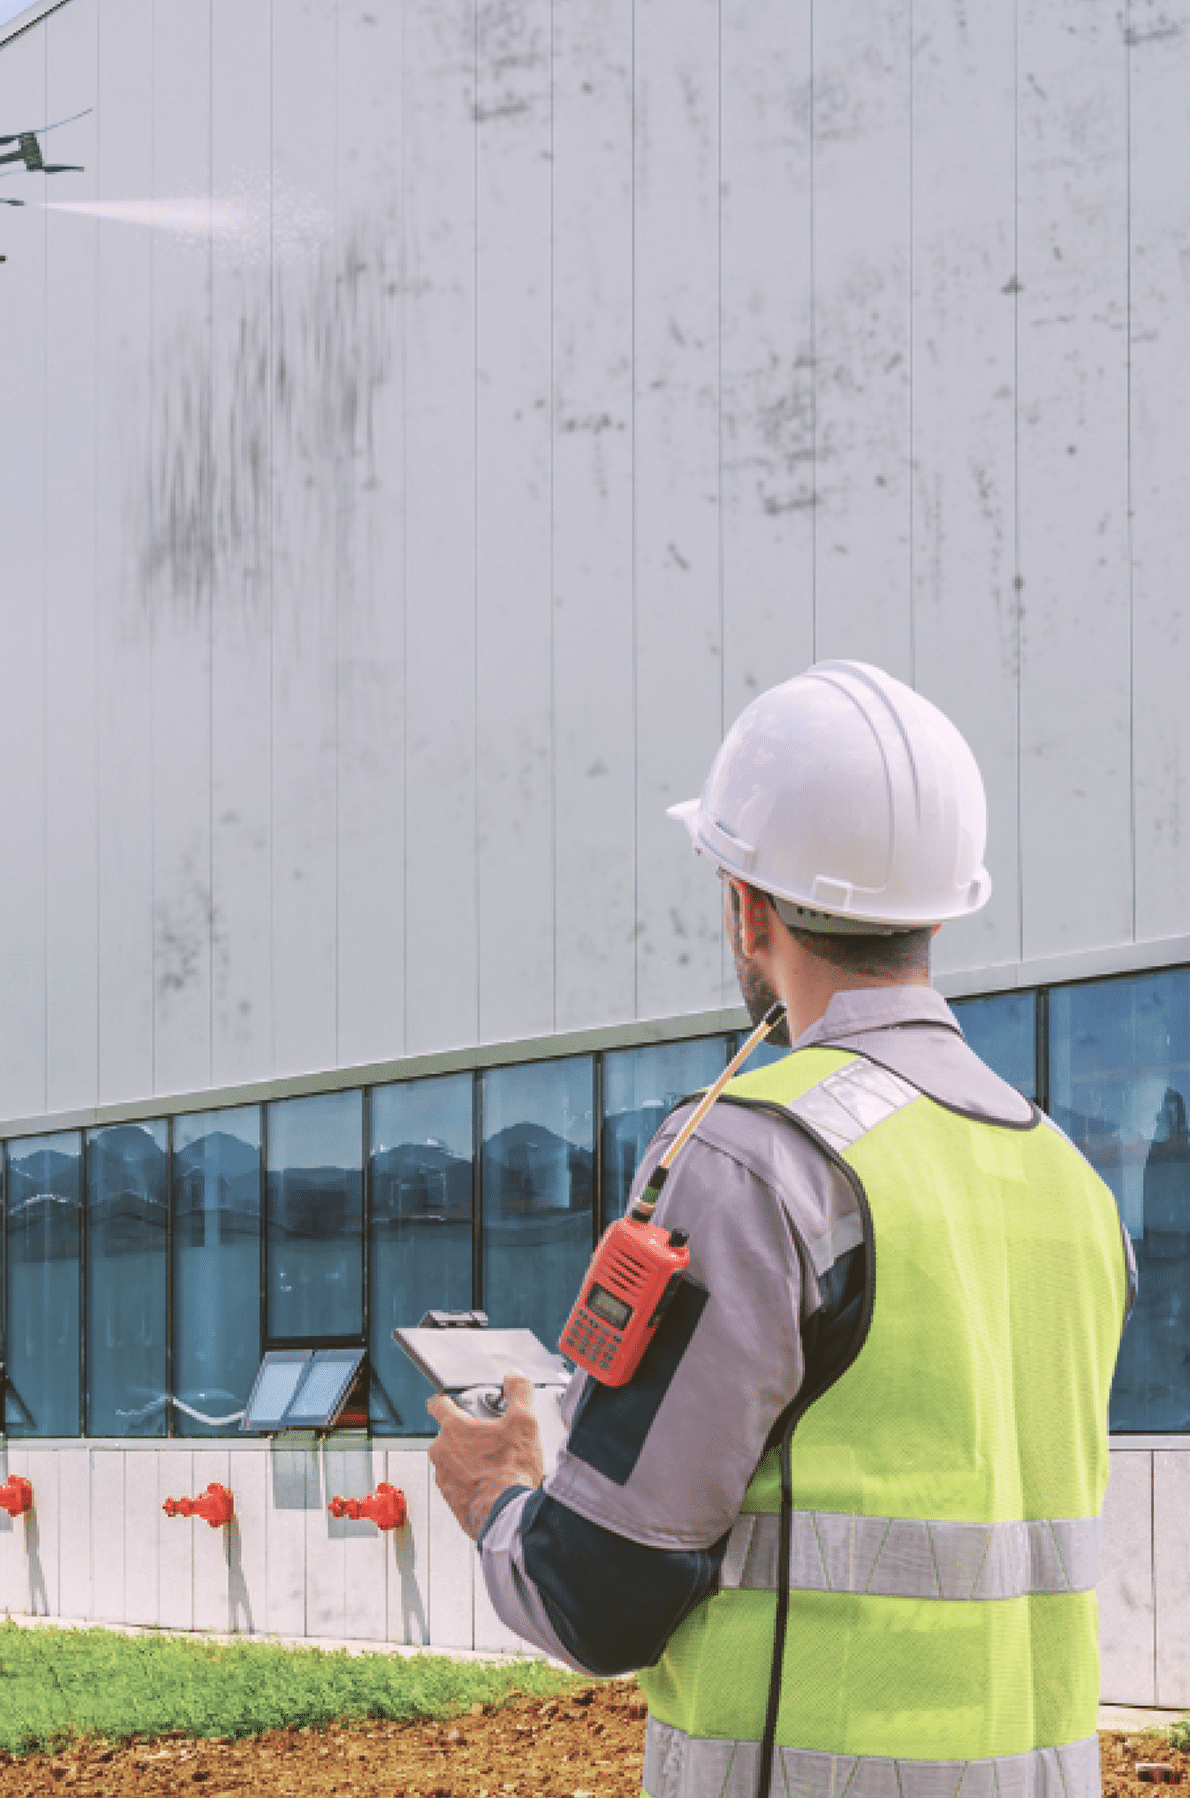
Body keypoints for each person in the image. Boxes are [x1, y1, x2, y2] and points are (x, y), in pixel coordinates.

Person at [429, 660, 1133, 1798]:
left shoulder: (751, 1157)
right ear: (941, 908)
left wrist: (496, 1493)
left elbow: (595, 1592)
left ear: (744, 908)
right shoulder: (1067, 1181)